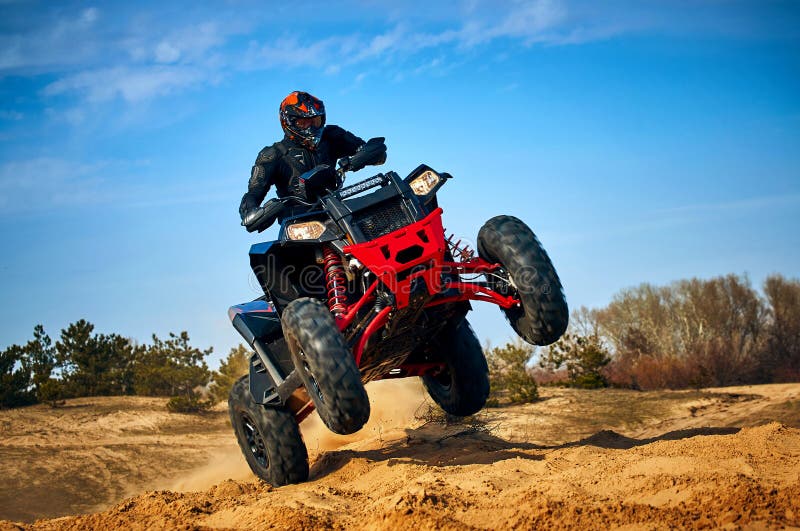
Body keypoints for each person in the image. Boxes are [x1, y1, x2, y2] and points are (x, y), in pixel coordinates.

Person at [239, 91, 384, 231]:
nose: (310, 127)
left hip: (337, 211)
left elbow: (371, 150)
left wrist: (366, 155)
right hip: (298, 223)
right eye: (303, 122)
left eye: (315, 121)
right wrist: (253, 213)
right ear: (288, 122)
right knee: (275, 254)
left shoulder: (332, 136)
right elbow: (252, 194)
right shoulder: (272, 155)